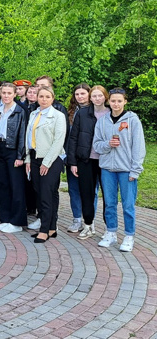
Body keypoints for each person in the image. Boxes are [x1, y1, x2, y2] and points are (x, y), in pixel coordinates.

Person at [94, 88, 146, 252]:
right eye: (113, 101)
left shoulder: (132, 120)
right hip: (108, 169)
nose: (116, 104)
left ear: (125, 102)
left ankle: (129, 235)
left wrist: (135, 170)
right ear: (108, 101)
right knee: (109, 203)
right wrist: (108, 144)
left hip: (126, 170)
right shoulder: (102, 121)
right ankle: (111, 232)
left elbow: (139, 146)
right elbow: (96, 145)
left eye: (119, 101)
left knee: (128, 204)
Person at [25, 86, 66, 244]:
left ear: (52, 98)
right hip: (35, 156)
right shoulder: (34, 114)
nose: (43, 99)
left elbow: (58, 141)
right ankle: (51, 227)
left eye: (47, 96)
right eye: (41, 96)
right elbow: (28, 138)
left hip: (51, 158)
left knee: (46, 194)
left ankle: (44, 230)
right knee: (39, 191)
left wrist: (47, 162)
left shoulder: (58, 116)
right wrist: (28, 159)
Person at [67, 85, 109, 239]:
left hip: (106, 161)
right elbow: (73, 138)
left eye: (100, 96)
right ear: (90, 98)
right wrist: (73, 162)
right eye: (94, 96)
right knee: (87, 194)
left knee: (108, 196)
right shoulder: (82, 113)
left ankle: (109, 227)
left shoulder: (111, 113)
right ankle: (88, 225)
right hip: (86, 160)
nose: (97, 99)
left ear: (105, 97)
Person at [0, 83, 28, 234]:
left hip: (13, 150)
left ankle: (17, 221)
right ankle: (5, 218)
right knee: (2, 185)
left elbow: (23, 134)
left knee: (16, 186)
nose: (6, 96)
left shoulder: (20, 111)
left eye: (9, 93)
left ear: (15, 94)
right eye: (4, 93)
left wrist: (20, 156)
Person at [65, 83, 91, 233]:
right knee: (73, 189)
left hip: (89, 157)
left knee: (89, 190)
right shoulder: (70, 112)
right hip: (72, 155)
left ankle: (89, 220)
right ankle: (77, 219)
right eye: (77, 94)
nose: (80, 96)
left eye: (83, 93)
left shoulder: (96, 111)